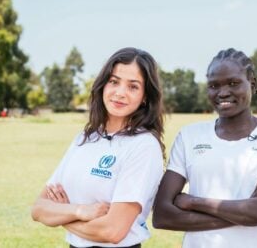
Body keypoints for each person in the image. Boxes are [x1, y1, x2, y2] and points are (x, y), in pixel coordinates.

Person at [153, 48, 257, 248]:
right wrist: (247, 211)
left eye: (233, 83)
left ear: (252, 84)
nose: (223, 92)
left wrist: (194, 202)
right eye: (213, 85)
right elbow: (162, 215)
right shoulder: (189, 136)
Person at [31, 47, 165, 248]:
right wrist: (78, 211)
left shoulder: (143, 146)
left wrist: (61, 215)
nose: (120, 93)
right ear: (103, 85)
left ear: (145, 96)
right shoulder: (85, 138)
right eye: (114, 81)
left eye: (133, 86)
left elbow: (112, 231)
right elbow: (39, 209)